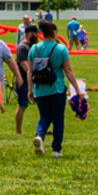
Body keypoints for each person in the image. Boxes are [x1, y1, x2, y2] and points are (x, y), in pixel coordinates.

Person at [29, 19, 72, 159]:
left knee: (44, 117)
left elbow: (30, 71)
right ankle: (56, 149)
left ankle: (40, 136)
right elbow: (68, 70)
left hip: (40, 88)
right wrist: (77, 89)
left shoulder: (34, 49)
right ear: (54, 33)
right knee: (58, 119)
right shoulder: (60, 49)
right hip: (57, 88)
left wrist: (30, 90)